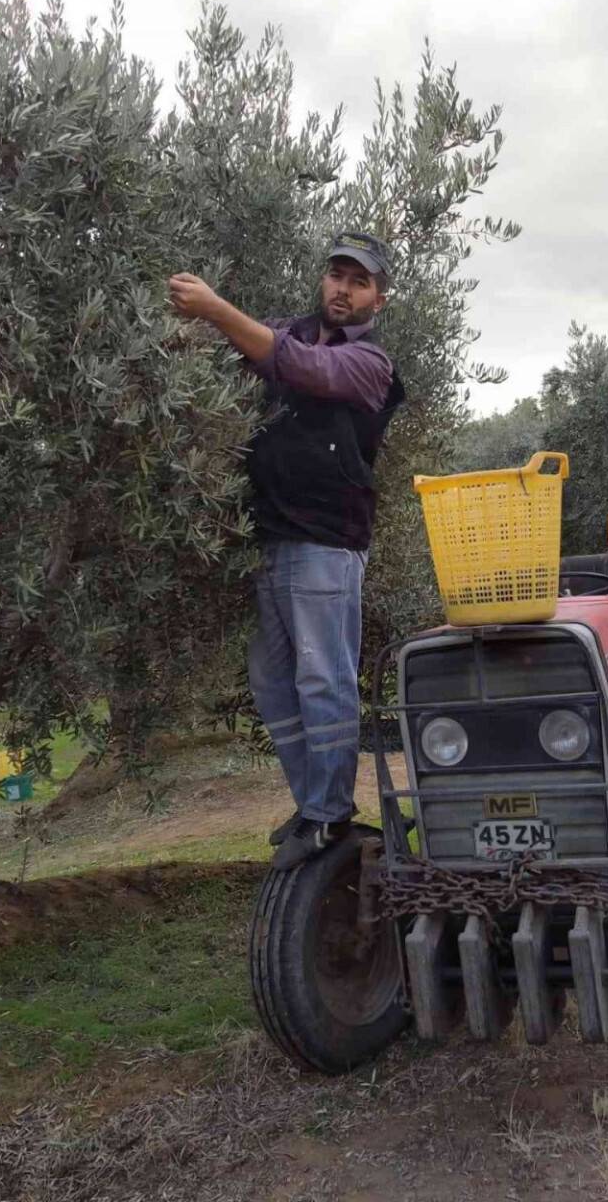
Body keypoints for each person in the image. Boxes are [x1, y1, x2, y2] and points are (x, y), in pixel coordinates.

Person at [168, 232, 404, 869]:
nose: (342, 289)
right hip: (270, 538)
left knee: (322, 677)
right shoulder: (287, 331)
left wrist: (215, 308)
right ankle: (314, 807)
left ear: (378, 298)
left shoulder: (370, 364)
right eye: (336, 275)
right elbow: (253, 352)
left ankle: (329, 815)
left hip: (327, 543)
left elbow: (300, 369)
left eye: (358, 282)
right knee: (274, 682)